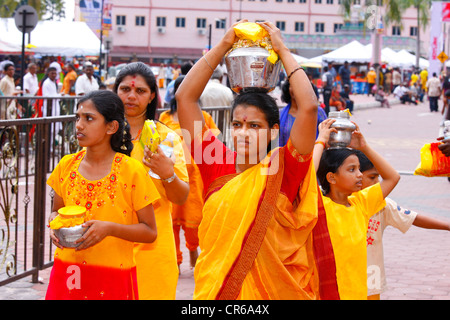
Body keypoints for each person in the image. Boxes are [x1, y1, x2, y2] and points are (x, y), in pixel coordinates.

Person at [176, 20, 339, 300]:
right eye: (237, 124)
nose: (243, 133)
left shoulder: (286, 167)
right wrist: (224, 45)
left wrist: (282, 49)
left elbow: (310, 106)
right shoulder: (213, 159)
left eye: (254, 126)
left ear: (273, 132)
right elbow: (185, 98)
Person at [45, 90, 159, 300]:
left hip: (112, 276)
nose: (79, 125)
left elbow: (150, 232)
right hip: (69, 273)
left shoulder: (131, 171)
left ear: (111, 127)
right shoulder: (66, 166)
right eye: (77, 118)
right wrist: (54, 226)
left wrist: (108, 229)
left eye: (89, 118)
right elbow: (55, 213)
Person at [113, 62, 190, 300]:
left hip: (153, 245)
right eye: (125, 89)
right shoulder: (102, 134)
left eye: (140, 91)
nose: (132, 96)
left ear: (152, 96)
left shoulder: (166, 138)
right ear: (116, 92)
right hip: (110, 240)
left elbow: (180, 196)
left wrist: (167, 173)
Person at [314, 119, 400, 300]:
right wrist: (320, 141)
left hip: (358, 293)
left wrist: (364, 147)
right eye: (352, 170)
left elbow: (393, 177)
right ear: (332, 177)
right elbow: (304, 179)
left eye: (359, 169)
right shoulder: (319, 205)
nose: (360, 175)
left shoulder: (360, 203)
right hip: (327, 293)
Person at [354, 150, 450, 300]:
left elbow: (414, 218)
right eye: (372, 177)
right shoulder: (337, 202)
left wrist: (448, 225)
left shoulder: (383, 204)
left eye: (378, 177)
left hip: (371, 273)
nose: (377, 183)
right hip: (344, 272)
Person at [160, 75, 220, 269]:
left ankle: (194, 251)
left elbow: (215, 145)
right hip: (172, 175)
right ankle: (175, 262)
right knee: (172, 222)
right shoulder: (165, 118)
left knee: (195, 220)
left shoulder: (204, 118)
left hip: (196, 177)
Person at [279, 78, 327, 146]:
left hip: (314, 156)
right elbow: (274, 142)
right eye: (292, 85)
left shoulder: (318, 112)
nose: (296, 88)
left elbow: (327, 137)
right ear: (287, 88)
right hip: (284, 156)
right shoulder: (279, 115)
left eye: (299, 85)